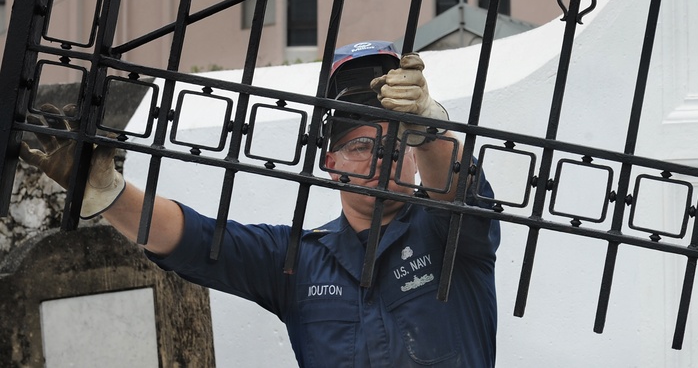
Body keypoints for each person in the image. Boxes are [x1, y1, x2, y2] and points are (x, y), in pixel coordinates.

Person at [18, 41, 501, 367]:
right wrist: (107, 192)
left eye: (398, 145)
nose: (382, 157)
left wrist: (427, 124)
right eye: (361, 146)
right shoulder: (300, 261)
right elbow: (196, 239)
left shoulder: (448, 235)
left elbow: (457, 196)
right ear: (331, 162)